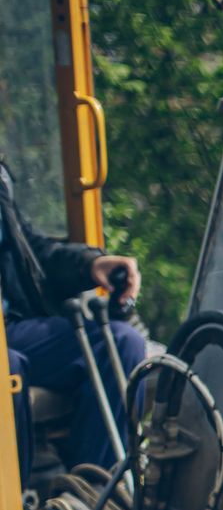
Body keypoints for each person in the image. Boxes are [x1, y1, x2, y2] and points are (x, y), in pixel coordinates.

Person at [0, 159, 144, 473]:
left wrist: (90, 265)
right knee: (7, 368)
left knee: (122, 344)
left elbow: (31, 252)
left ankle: (96, 493)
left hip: (13, 328)